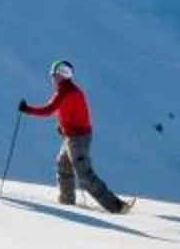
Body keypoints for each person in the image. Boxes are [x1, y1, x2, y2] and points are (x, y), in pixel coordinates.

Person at [17, 59, 131, 213]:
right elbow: (72, 112)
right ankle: (67, 200)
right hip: (75, 136)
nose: (52, 78)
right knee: (63, 165)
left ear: (62, 75)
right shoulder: (70, 90)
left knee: (84, 175)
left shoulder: (65, 91)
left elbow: (49, 110)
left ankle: (117, 207)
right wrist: (64, 127)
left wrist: (27, 109)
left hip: (77, 139)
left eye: (54, 75)